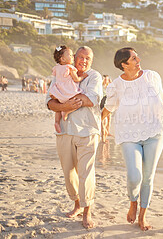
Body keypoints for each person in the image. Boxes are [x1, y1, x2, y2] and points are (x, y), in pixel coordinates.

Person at [101, 47, 163, 231]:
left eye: (137, 56)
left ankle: (143, 215)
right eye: (133, 58)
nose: (139, 59)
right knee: (134, 176)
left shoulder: (152, 76)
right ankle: (133, 202)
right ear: (124, 64)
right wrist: (96, 124)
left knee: (148, 177)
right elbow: (109, 108)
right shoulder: (116, 85)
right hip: (129, 135)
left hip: (154, 133)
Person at [46, 46, 102, 229]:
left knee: (86, 173)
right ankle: (77, 204)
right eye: (80, 57)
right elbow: (49, 102)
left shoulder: (94, 76)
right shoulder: (62, 73)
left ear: (91, 61)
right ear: (73, 58)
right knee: (69, 173)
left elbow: (92, 99)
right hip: (65, 131)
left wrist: (67, 102)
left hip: (88, 132)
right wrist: (64, 105)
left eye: (88, 58)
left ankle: (87, 211)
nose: (84, 61)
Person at [48, 46, 88, 133]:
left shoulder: (57, 67)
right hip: (68, 91)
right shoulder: (70, 68)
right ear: (63, 59)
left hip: (58, 91)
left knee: (58, 106)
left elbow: (57, 77)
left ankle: (57, 122)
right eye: (70, 55)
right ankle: (66, 112)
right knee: (77, 101)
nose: (73, 56)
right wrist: (83, 76)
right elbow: (76, 79)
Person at [100, 74, 112, 142]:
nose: (106, 80)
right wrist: (102, 80)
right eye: (105, 79)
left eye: (107, 79)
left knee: (109, 118)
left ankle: (107, 132)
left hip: (108, 102)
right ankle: (103, 135)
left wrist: (110, 81)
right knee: (104, 119)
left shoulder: (109, 86)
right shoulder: (101, 86)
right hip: (103, 102)